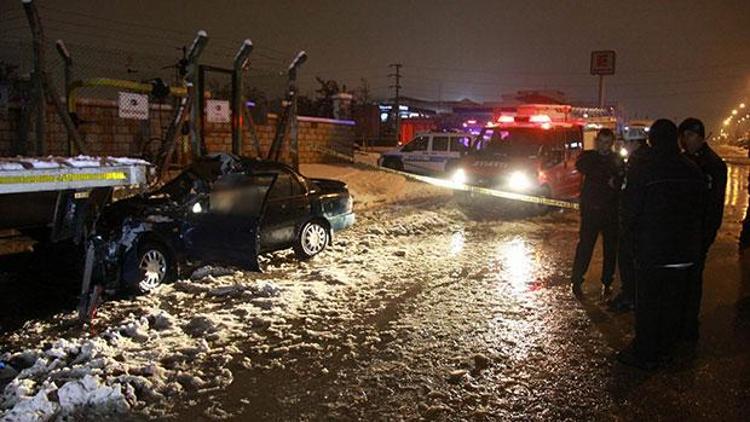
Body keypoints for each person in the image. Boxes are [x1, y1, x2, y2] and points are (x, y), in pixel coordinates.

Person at [618, 119, 707, 369]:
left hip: (652, 251)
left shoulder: (643, 169)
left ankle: (645, 353)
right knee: (672, 303)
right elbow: (702, 210)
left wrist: (631, 242)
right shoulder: (692, 169)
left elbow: (630, 210)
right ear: (676, 140)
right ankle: (667, 350)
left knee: (648, 304)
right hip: (684, 253)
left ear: (651, 140)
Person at [678, 118, 727, 342]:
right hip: (682, 229)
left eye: (688, 136)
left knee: (693, 277)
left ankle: (689, 322)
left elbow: (715, 204)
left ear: (699, 136)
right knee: (680, 277)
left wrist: (707, 234)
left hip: (699, 230)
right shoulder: (683, 159)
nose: (685, 141)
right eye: (683, 136)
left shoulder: (713, 164)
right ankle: (679, 319)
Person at [571, 128, 622, 297]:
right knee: (586, 245)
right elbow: (583, 166)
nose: (603, 146)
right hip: (592, 210)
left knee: (610, 248)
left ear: (612, 143)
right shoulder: (589, 157)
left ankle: (607, 281)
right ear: (596, 141)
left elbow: (620, 179)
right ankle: (577, 279)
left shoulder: (616, 160)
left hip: (610, 211)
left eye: (607, 142)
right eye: (601, 142)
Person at [609, 127, 651, 312]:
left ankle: (630, 296)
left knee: (627, 259)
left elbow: (629, 189)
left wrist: (616, 182)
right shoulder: (649, 159)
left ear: (635, 143)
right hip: (645, 223)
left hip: (634, 222)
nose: (624, 145)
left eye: (626, 142)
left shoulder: (638, 161)